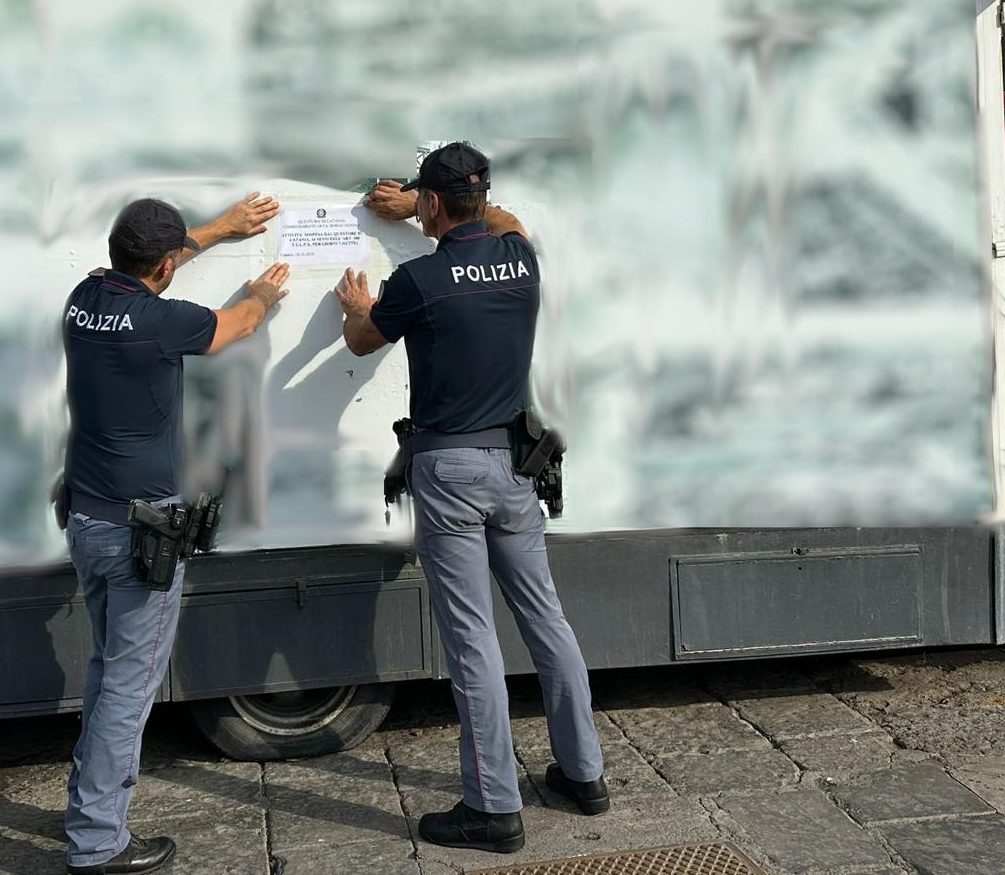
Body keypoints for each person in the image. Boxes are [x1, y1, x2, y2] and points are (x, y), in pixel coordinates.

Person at [335, 144, 608, 854]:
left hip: (450, 469)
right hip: (518, 468)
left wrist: (358, 304)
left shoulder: (418, 279)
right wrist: (437, 202)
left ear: (430, 204)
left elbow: (363, 341)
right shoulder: (522, 261)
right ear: (480, 200)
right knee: (547, 619)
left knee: (471, 637)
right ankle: (584, 774)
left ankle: (494, 806)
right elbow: (506, 220)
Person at [63, 193, 289, 875]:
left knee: (108, 674)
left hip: (89, 518)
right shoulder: (162, 323)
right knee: (128, 689)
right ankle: (98, 841)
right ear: (165, 266)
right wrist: (263, 291)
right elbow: (235, 325)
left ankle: (87, 812)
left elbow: (157, 258)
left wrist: (219, 229)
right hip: (141, 536)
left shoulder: (82, 298)